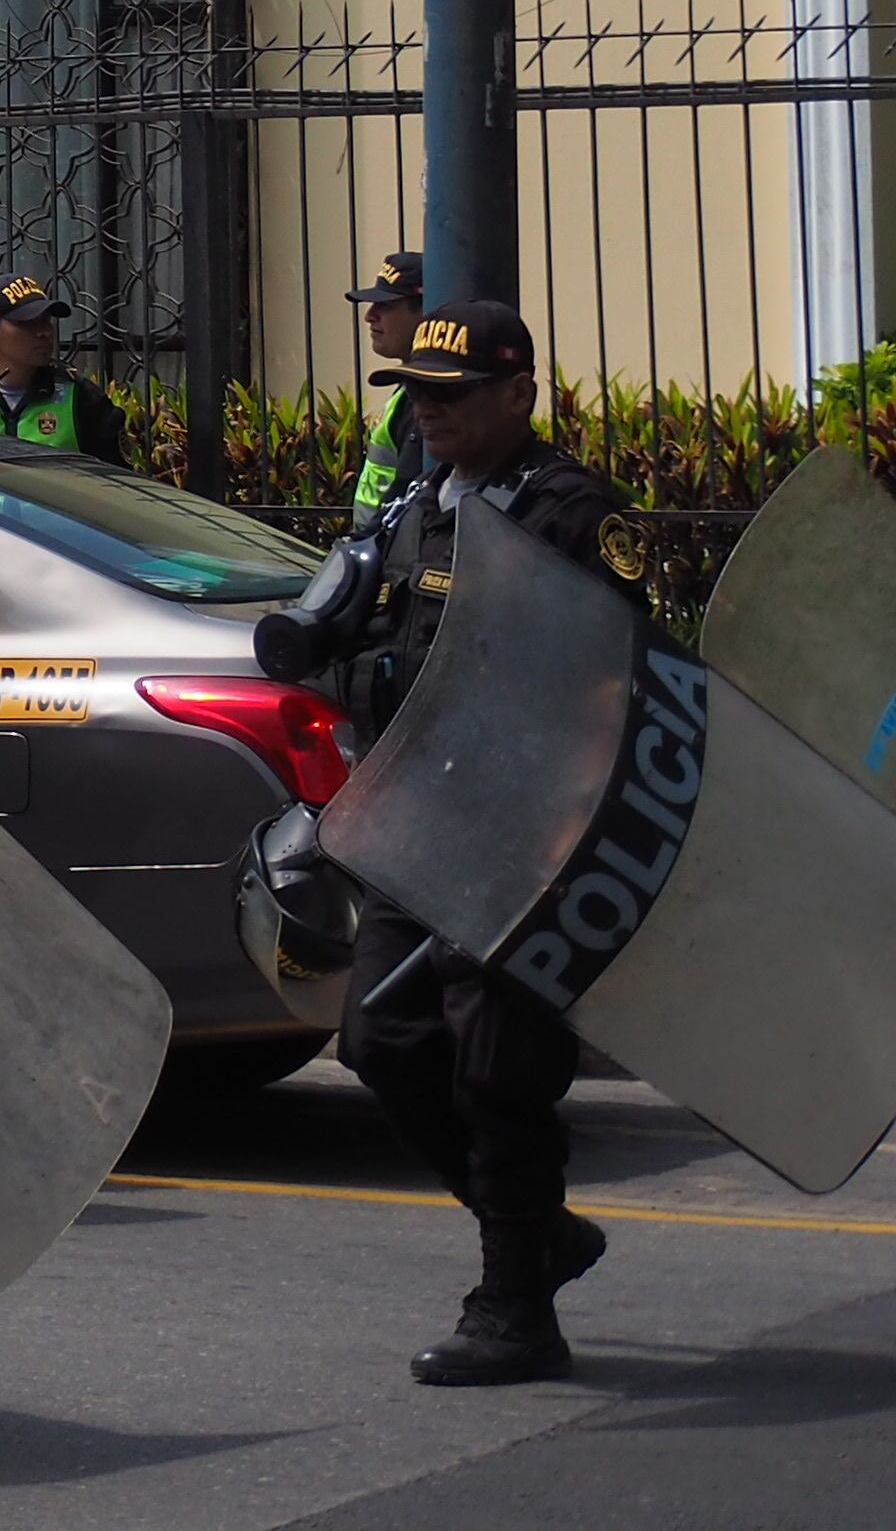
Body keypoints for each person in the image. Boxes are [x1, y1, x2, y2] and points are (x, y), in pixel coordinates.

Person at [254, 298, 637, 1387]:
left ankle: (516, 1305)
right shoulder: (415, 508)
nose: (428, 412)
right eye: (417, 393)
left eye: (453, 395)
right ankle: (537, 1233)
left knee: (498, 1064)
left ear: (518, 393)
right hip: (417, 815)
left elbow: (620, 673)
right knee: (382, 1040)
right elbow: (353, 642)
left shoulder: (571, 512)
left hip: (526, 827)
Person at [0, 273, 126, 461]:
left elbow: (114, 474)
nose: (44, 332)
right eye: (26, 323)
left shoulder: (79, 395)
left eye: (46, 320)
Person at [346, 248, 429, 518]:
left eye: (386, 305)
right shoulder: (407, 390)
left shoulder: (424, 398)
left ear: (425, 310)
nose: (370, 315)